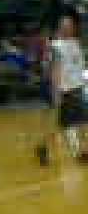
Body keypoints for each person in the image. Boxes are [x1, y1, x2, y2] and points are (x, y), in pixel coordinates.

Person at [36, 12, 88, 166]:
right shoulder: (56, 47)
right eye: (65, 26)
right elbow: (54, 71)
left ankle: (81, 151)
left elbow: (79, 66)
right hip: (65, 91)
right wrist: (56, 93)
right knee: (60, 124)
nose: (68, 28)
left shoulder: (75, 43)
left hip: (77, 88)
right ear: (60, 27)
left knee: (79, 122)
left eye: (70, 26)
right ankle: (43, 147)